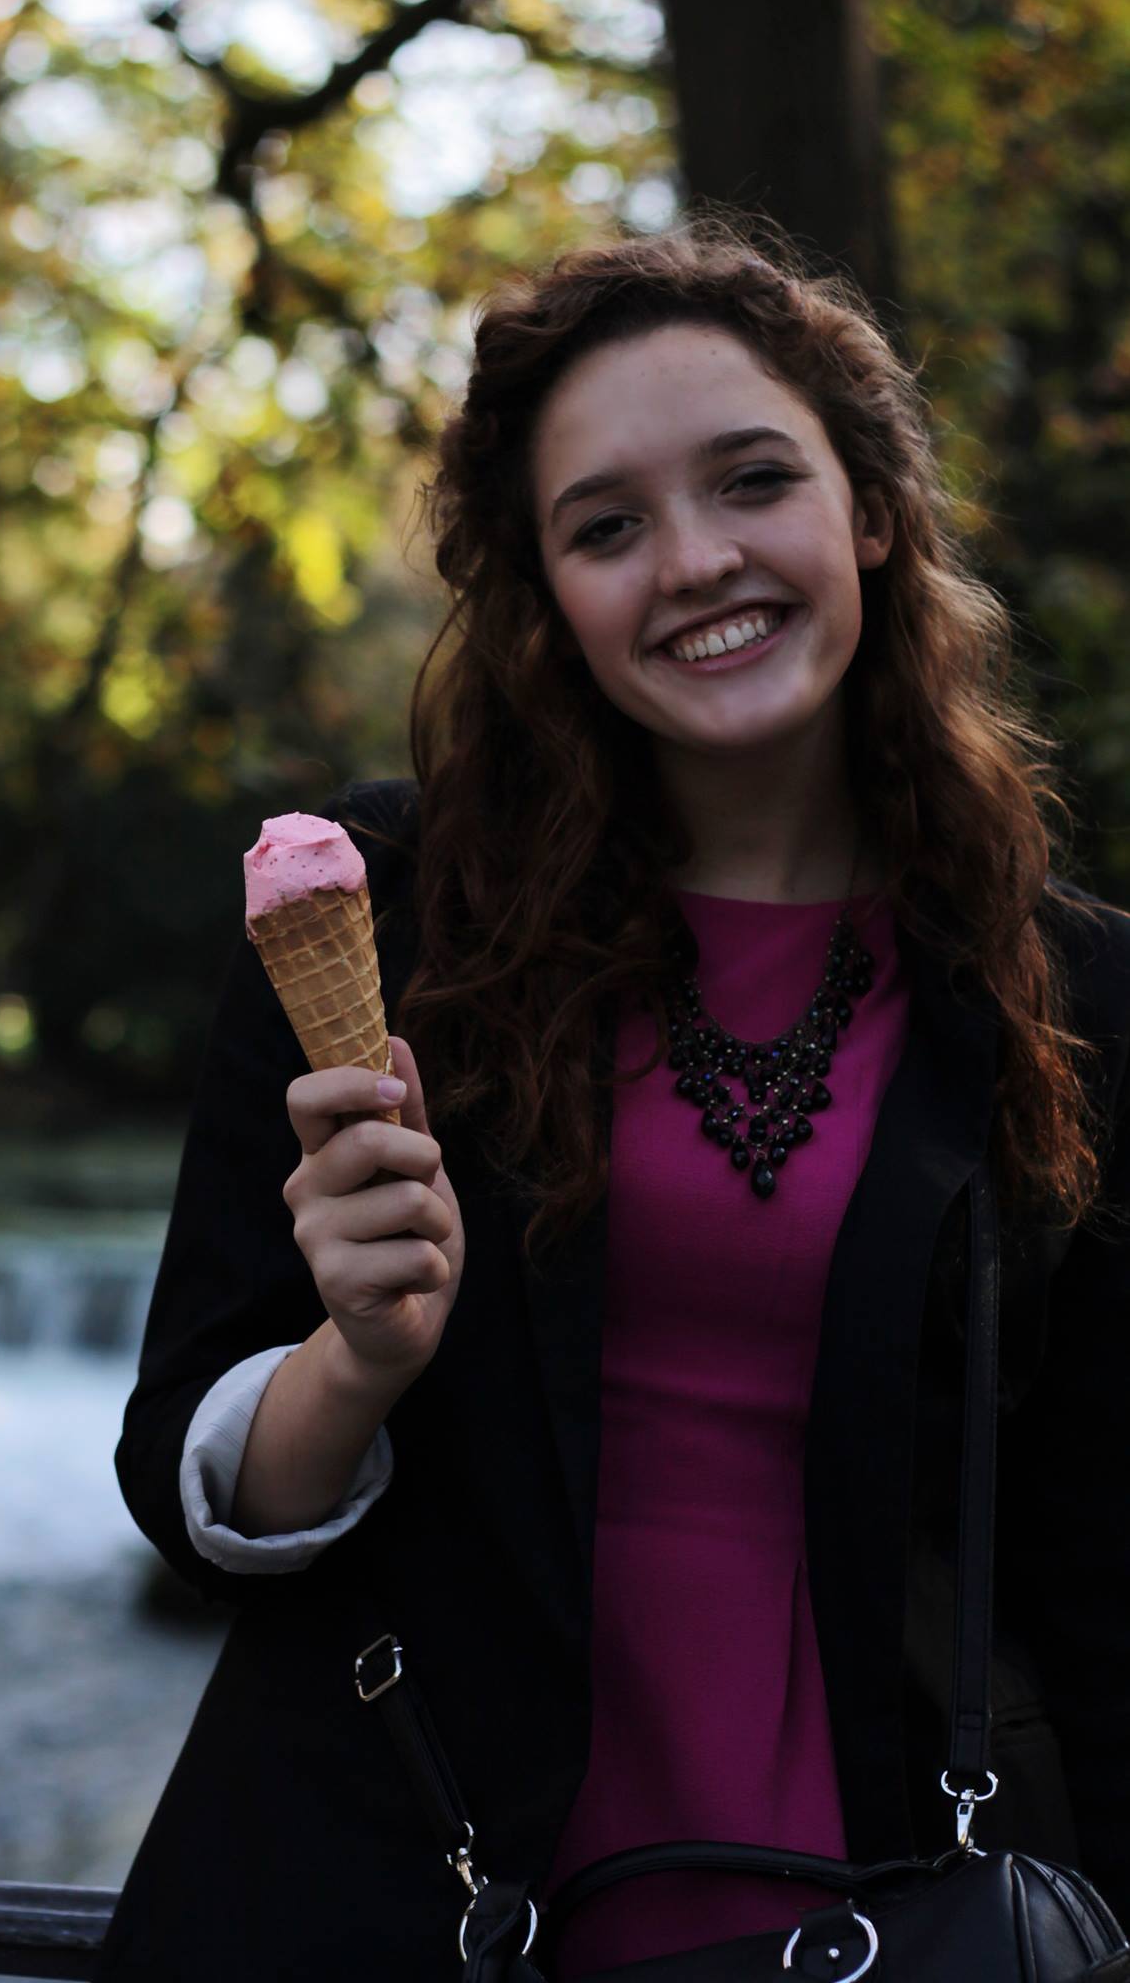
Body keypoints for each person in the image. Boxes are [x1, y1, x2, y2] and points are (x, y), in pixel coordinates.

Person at [93, 219, 1130, 1983]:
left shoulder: (1075, 999)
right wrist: (353, 1359)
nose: (695, 562)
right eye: (604, 527)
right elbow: (193, 1484)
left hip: (885, 1916)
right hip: (399, 1898)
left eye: (752, 482)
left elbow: (1101, 1561)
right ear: (545, 596)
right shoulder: (386, 913)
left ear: (868, 509)